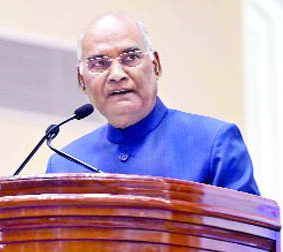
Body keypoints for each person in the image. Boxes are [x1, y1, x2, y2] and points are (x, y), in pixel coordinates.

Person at [46, 12, 260, 196]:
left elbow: (250, 239)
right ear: (82, 81)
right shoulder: (64, 165)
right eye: (99, 63)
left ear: (156, 66)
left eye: (130, 57)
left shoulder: (213, 143)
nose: (117, 75)